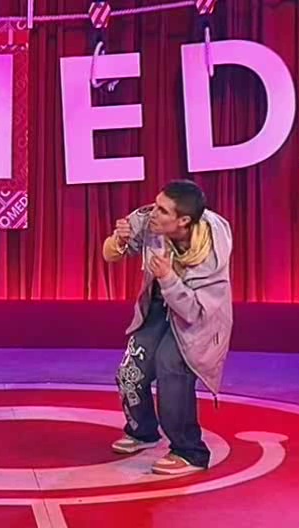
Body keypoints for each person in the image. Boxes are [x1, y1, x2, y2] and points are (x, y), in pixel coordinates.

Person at [102, 179, 233, 475]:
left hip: (196, 318)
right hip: (159, 306)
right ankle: (143, 431)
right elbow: (109, 254)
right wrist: (119, 240)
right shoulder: (149, 220)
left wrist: (169, 279)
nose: (153, 212)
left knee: (171, 367)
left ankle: (190, 451)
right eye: (156, 204)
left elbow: (194, 311)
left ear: (183, 221)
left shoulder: (211, 248)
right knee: (130, 371)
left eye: (162, 210)